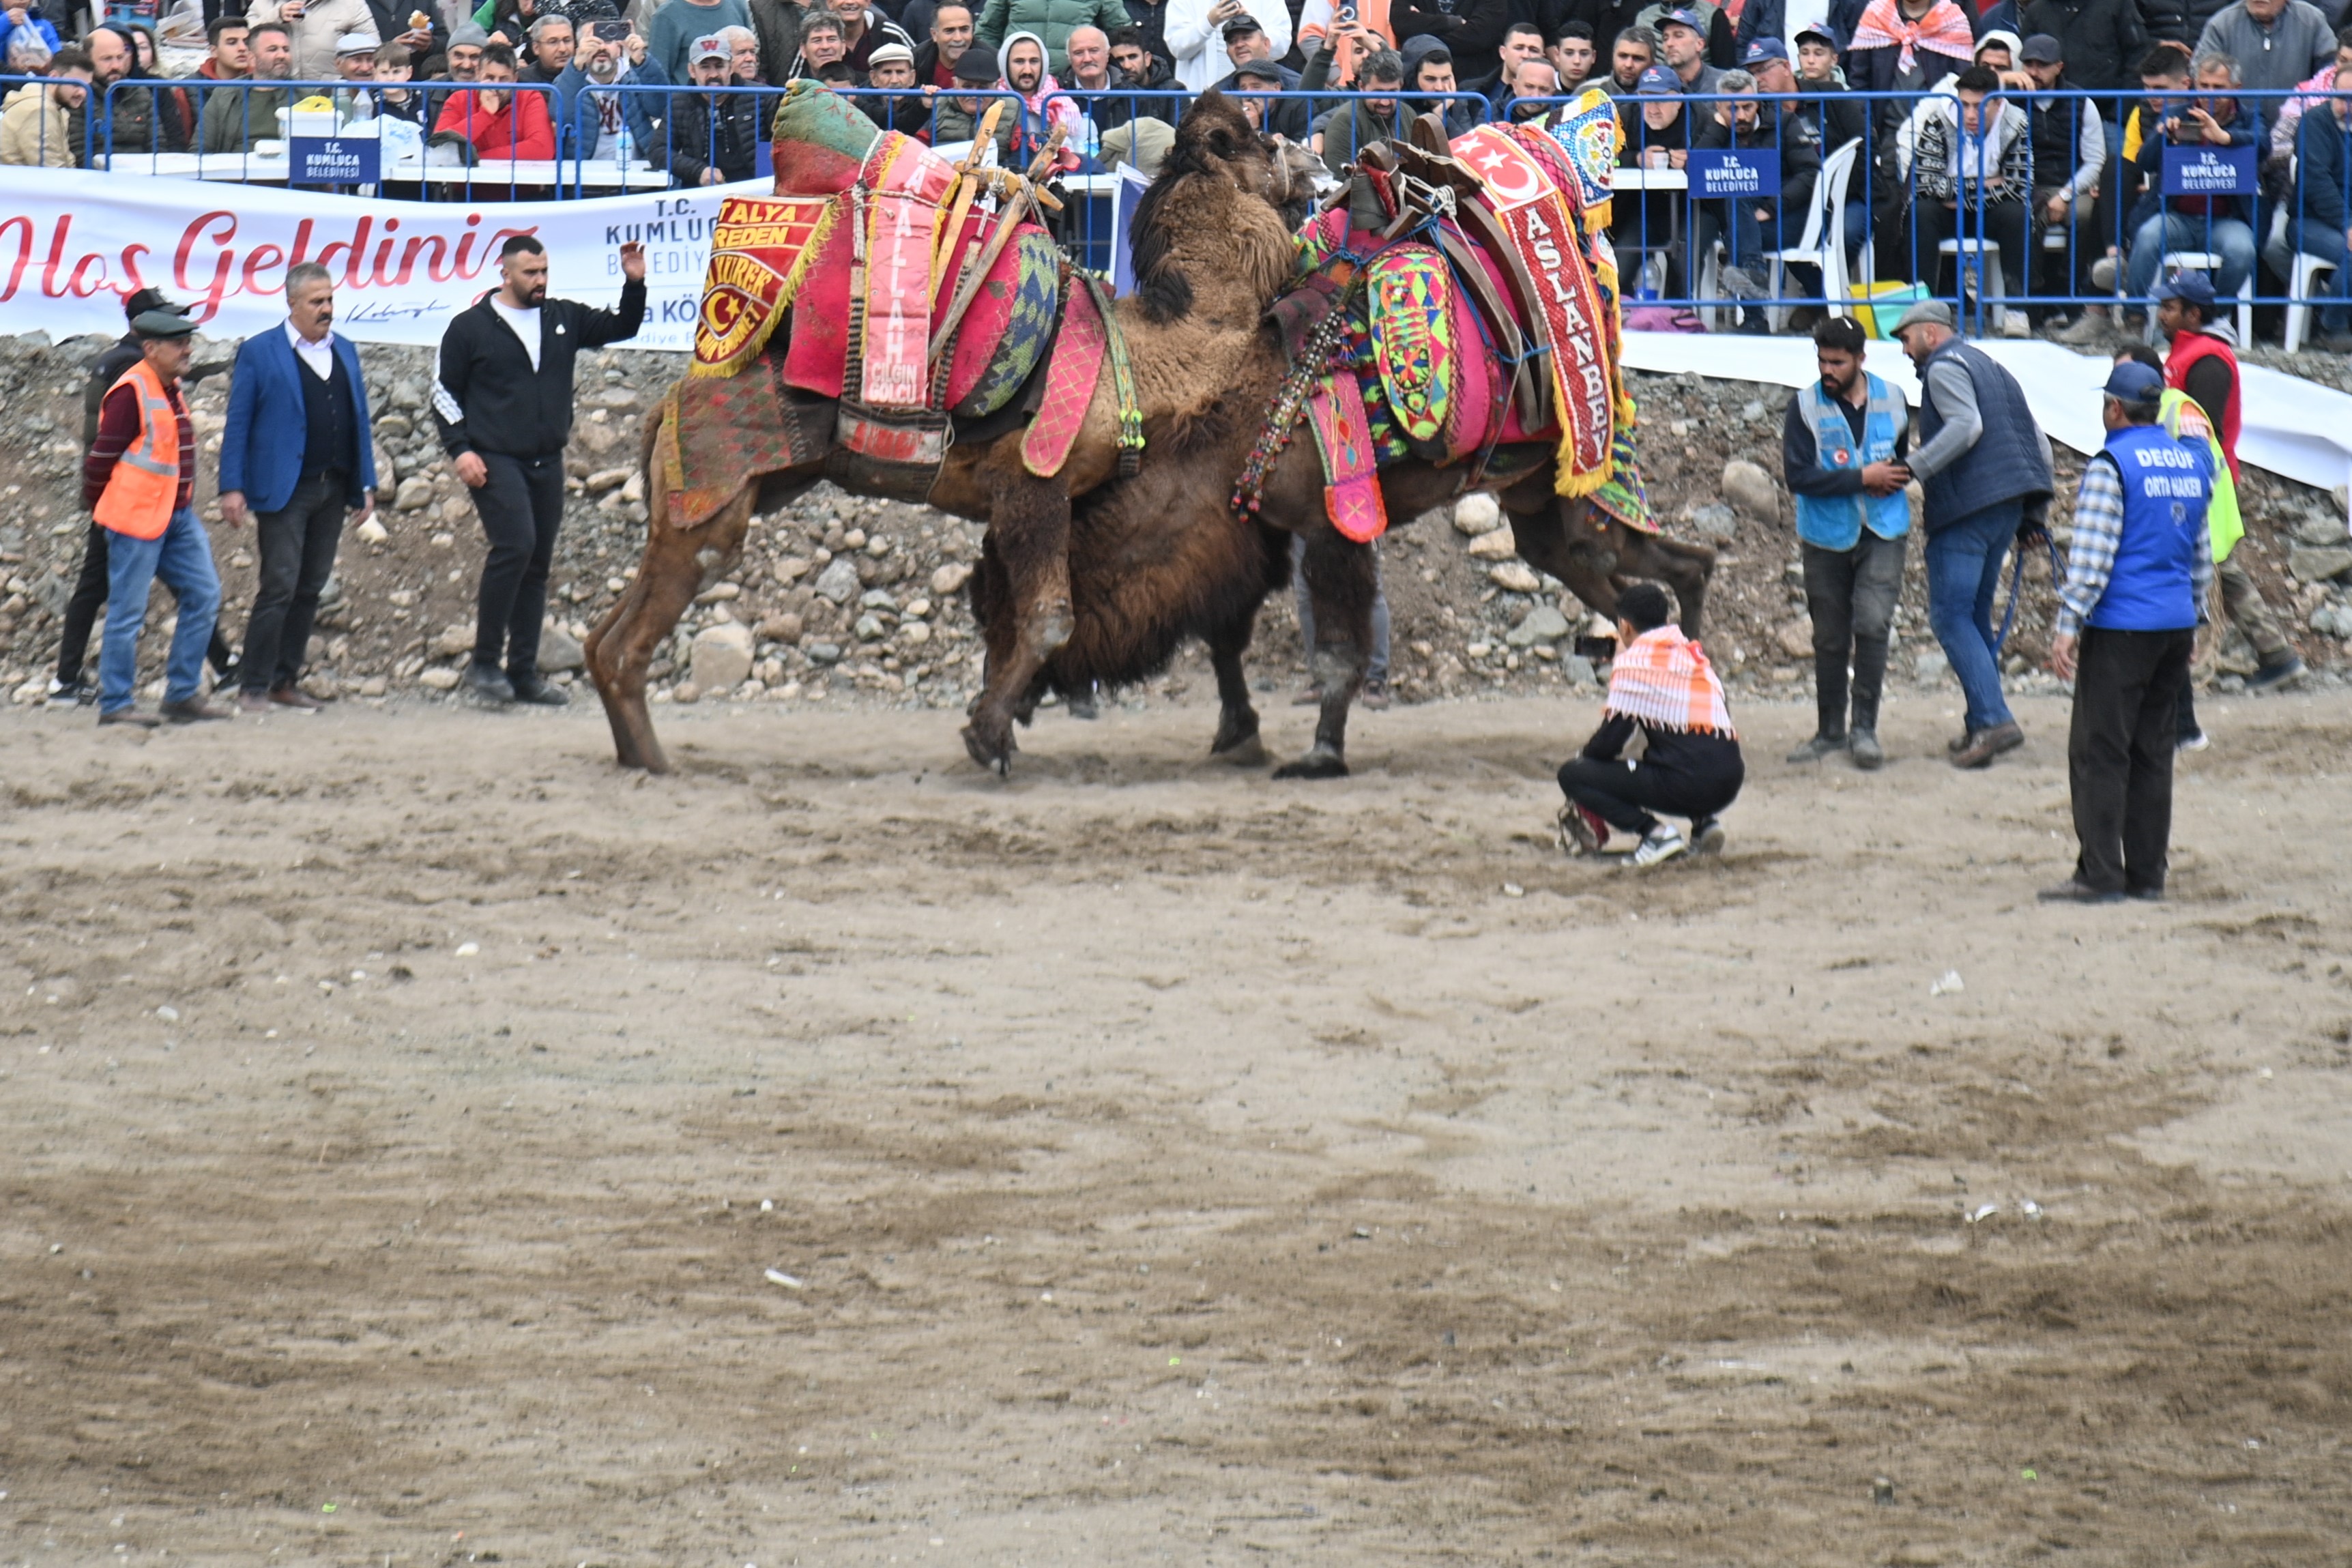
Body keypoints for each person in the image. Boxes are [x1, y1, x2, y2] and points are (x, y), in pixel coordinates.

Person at [433, 235, 648, 706]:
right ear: (505, 274)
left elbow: (623, 327)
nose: (540, 281)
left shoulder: (561, 317)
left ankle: (524, 671)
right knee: (515, 545)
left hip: (547, 459)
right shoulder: (469, 328)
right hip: (494, 458)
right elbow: (444, 394)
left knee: (537, 566)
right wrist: (460, 449)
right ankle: (485, 663)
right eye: (531, 273)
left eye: (545, 271)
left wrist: (634, 283)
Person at [2039, 360, 2212, 903]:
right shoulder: (2189, 464)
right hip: (2173, 625)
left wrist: (2067, 625)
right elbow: (2199, 554)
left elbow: (2091, 560)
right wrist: (2195, 619)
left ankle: (2099, 873)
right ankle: (2146, 873)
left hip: (2120, 629)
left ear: (2114, 408)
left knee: (2099, 751)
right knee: (2152, 752)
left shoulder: (2111, 465)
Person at [50, 290, 237, 708]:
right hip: (136, 520)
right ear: (151, 348)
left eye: (188, 341)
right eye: (179, 343)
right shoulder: (132, 389)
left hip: (175, 516)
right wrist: (105, 508)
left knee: (203, 595)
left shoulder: (169, 386)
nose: (188, 349)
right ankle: (117, 703)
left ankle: (183, 693)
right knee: (126, 614)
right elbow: (98, 461)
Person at [1889, 298, 2053, 768]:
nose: (1904, 350)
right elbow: (2036, 443)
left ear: (1930, 333)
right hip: (2007, 507)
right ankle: (1980, 722)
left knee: (1949, 617)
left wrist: (1911, 469)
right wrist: (2033, 515)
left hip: (1966, 508)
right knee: (1975, 619)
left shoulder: (1943, 368)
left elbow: (1966, 427)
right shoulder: (1994, 368)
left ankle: (1993, 719)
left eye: (1905, 338)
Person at [216, 263, 376, 715]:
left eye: (329, 300)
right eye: (316, 302)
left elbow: (358, 419)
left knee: (311, 587)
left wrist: (365, 482)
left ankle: (285, 680)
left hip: (334, 485)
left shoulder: (344, 349)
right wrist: (232, 486)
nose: (326, 309)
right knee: (279, 585)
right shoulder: (260, 351)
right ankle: (253, 684)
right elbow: (239, 422)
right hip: (285, 489)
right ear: (292, 304)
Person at [2154, 274, 2304, 696]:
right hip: (2202, 481)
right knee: (2219, 567)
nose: (2161, 314)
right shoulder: (2193, 355)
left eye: (2169, 307)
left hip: (2204, 483)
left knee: (2212, 567)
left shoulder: (2207, 361)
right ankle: (2277, 656)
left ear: (2193, 313)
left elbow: (2206, 432)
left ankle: (2209, 669)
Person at [1782, 315, 1911, 770]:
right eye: (1822, 361)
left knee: (1873, 625)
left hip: (1882, 530)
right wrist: (1862, 477)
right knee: (1830, 637)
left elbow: (1901, 459)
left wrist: (1890, 479)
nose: (1827, 371)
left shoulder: (1892, 399)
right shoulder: (1804, 406)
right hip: (1824, 536)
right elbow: (1797, 476)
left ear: (1860, 358)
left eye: (1837, 362)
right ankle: (1830, 730)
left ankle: (1865, 730)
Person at [1556, 582, 1743, 868]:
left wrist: (1585, 766)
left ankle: (1655, 835)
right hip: (1729, 780)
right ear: (1666, 621)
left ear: (1626, 627)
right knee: (1673, 741)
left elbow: (1611, 741)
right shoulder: (1692, 655)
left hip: (1689, 785)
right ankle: (1703, 822)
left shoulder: (1634, 665)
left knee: (1572, 775)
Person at [2118, 50, 2261, 317]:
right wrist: (2163, 136)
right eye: (2203, 86)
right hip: (2177, 216)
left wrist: (2225, 137)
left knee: (2242, 250)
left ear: (2236, 89)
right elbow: (2144, 163)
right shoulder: (2177, 112)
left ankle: (2212, 318)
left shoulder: (2249, 116)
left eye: (2218, 88)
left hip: (2225, 220)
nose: (2208, 93)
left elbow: (2263, 145)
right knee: (2147, 237)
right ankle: (2135, 315)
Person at [1911, 64, 2035, 335]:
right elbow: (1925, 186)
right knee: (1921, 211)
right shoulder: (1939, 120)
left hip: (1990, 213)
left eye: (1979, 106)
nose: (1970, 114)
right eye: (1964, 105)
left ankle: (2016, 310)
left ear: (1997, 102)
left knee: (2017, 214)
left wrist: (1957, 195)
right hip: (1950, 213)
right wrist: (1988, 183)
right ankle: (1923, 312)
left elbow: (2019, 188)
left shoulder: (2016, 122)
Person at [1691, 68, 1821, 320]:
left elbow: (1810, 172)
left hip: (1791, 216)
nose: (1741, 116)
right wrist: (1718, 129)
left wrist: (1771, 208)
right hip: (1747, 225)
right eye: (1731, 109)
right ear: (1719, 106)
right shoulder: (1714, 129)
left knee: (1736, 232)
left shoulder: (1784, 123)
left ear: (1758, 102)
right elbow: (1695, 172)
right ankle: (1754, 271)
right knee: (1737, 198)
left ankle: (1754, 319)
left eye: (1747, 107)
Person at [2194, 0, 2334, 130]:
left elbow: (2332, 72)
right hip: (2237, 136)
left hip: (2298, 134)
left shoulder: (2312, 21)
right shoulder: (2222, 23)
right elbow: (2199, 72)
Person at [1290, 536, 1392, 711]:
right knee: (1307, 596)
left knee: (1369, 591)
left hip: (1352, 514)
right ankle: (1323, 679)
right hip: (1303, 520)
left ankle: (1374, 680)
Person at [2291, 60, 2352, 349]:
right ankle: (2333, 326)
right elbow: (2317, 183)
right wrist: (2348, 223)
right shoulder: (2314, 122)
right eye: (2341, 97)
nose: (2346, 106)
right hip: (2310, 219)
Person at [553, 22, 662, 160]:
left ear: (619, 46)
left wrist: (642, 61)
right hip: (583, 174)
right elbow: (560, 115)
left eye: (608, 40)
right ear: (579, 47)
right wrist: (576, 66)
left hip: (635, 170)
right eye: (594, 40)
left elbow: (661, 108)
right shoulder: (569, 79)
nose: (602, 47)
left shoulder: (635, 77)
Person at [433, 42, 557, 162]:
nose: (496, 85)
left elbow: (542, 148)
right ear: (478, 74)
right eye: (490, 78)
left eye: (503, 79)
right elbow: (439, 147)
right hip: (469, 182)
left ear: (515, 78)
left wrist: (477, 157)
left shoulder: (531, 98)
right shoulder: (458, 99)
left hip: (517, 182)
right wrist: (485, 115)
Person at [666, 35, 757, 182]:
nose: (714, 74)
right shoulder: (680, 101)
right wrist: (698, 171)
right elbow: (659, 150)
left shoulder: (761, 96)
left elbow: (778, 143)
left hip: (752, 193)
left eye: (719, 66)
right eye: (705, 67)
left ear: (731, 67)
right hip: (699, 193)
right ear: (692, 70)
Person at [1309, 42, 1405, 171]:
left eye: (1393, 92)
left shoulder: (1408, 113)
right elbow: (1341, 180)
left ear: (1402, 86)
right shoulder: (1345, 122)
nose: (1385, 102)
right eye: (1378, 93)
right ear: (1362, 87)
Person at [201, 20, 293, 152]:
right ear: (252, 58)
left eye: (286, 49)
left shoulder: (308, 96)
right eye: (272, 50)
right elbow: (201, 147)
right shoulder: (224, 95)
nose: (282, 55)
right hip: (234, 169)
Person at [243, 0, 381, 83]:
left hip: (332, 97)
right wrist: (276, 16)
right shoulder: (264, 3)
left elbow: (375, 51)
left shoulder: (352, 4)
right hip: (276, 94)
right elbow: (243, 40)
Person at [975, 0, 1128, 74]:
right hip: (1018, 86)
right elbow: (987, 31)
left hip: (1077, 87)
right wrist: (1001, 68)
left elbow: (1122, 34)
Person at [1165, 0, 1287, 90]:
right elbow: (1177, 48)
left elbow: (1282, 46)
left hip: (1257, 99)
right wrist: (1209, 22)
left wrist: (1251, 22)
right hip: (1202, 101)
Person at [1, 44, 87, 166]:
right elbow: (51, 172)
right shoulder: (38, 110)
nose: (83, 93)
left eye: (86, 86)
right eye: (76, 84)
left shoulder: (57, 108)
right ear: (54, 77)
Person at [646, 0, 751, 83]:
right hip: (687, 106)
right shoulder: (667, 15)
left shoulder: (738, 6)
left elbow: (751, 52)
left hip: (738, 104)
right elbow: (657, 76)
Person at [1655, 5, 1720, 91]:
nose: (1669, 44)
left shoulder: (1722, 83)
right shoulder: (1657, 85)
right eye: (1665, 38)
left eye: (1678, 36)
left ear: (1699, 45)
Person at [916, 1, 975, 85]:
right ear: (934, 34)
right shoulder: (917, 60)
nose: (958, 38)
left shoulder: (993, 60)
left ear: (972, 30)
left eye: (964, 29)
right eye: (949, 31)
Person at [1550, 21, 1598, 93]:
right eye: (1569, 53)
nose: (1577, 61)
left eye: (1584, 54)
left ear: (1593, 57)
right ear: (1557, 55)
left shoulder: (1603, 93)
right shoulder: (1542, 88)